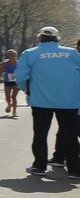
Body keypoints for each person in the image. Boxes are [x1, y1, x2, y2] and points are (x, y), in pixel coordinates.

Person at [15, 26, 80, 177]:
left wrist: (26, 90)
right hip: (68, 100)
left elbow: (20, 76)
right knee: (70, 135)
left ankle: (39, 166)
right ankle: (75, 170)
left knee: (40, 134)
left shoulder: (30, 53)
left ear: (40, 38)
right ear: (57, 38)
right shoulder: (72, 53)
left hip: (40, 101)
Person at [2, 49, 20, 117]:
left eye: (13, 55)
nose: (12, 56)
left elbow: (23, 72)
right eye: (10, 55)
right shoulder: (6, 63)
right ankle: (10, 104)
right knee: (7, 97)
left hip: (16, 81)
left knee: (14, 97)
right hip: (7, 81)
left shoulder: (19, 64)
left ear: (16, 55)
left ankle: (14, 111)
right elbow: (0, 68)